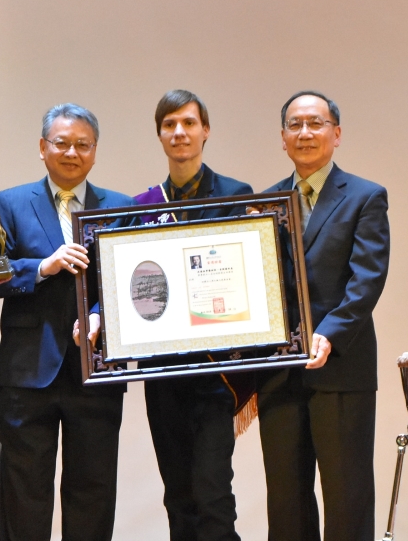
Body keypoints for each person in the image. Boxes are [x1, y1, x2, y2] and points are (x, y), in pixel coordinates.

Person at [109, 89, 254, 541]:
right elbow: (131, 288)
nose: (180, 132)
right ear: (159, 135)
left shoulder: (235, 195)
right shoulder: (142, 207)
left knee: (212, 491)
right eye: (170, 124)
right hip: (164, 371)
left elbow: (249, 274)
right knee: (178, 493)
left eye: (189, 123)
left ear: (205, 131)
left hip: (216, 372)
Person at [0, 103, 135, 541]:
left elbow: (129, 284)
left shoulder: (120, 206)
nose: (71, 152)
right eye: (62, 143)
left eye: (82, 145)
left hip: (95, 369)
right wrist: (43, 266)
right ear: (42, 147)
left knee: (92, 491)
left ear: (94, 151)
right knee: (25, 491)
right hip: (26, 373)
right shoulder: (11, 203)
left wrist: (96, 316)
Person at [259, 91, 390, 541]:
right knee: (286, 500)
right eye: (295, 125)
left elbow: (366, 279)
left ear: (336, 134)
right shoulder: (268, 202)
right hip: (279, 371)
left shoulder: (365, 197)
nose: (305, 133)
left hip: (340, 367)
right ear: (282, 138)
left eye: (315, 123)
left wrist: (329, 333)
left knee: (347, 498)